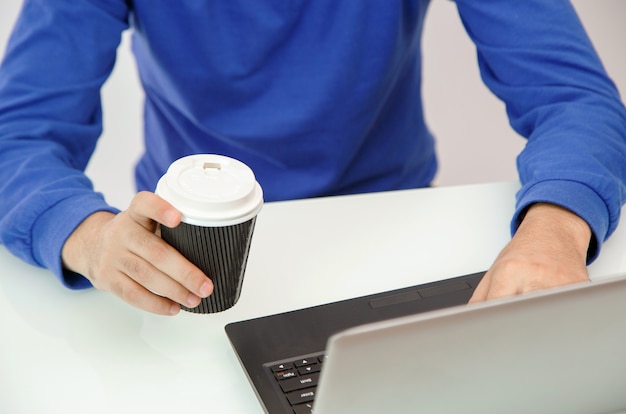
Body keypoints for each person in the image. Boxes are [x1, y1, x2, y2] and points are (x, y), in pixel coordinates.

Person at [1, 0, 625, 316]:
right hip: (187, 248)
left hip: (389, 234)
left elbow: (573, 94)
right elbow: (17, 132)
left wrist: (554, 228)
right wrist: (87, 236)